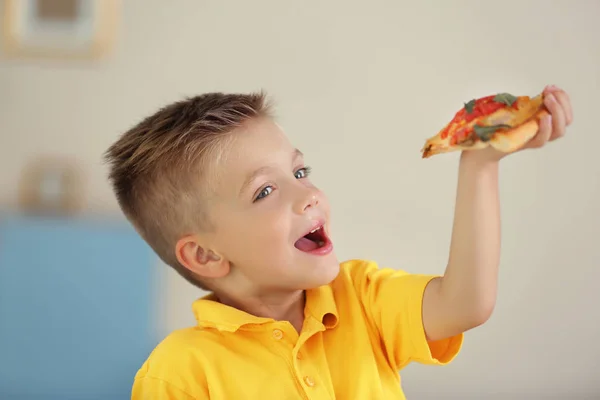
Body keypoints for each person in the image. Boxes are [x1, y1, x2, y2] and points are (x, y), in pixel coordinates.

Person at [104, 85, 573, 399]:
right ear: (205, 254)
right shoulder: (180, 371)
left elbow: (467, 302)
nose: (308, 195)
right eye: (265, 191)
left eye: (300, 172)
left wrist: (480, 163)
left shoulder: (363, 298)